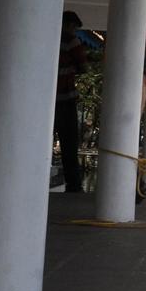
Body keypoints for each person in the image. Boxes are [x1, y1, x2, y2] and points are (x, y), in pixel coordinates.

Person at [56, 10, 88, 192]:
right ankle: (73, 185)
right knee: (69, 143)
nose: (75, 32)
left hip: (45, 98)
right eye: (74, 28)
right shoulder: (71, 41)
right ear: (69, 25)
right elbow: (83, 66)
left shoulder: (48, 36)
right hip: (65, 97)